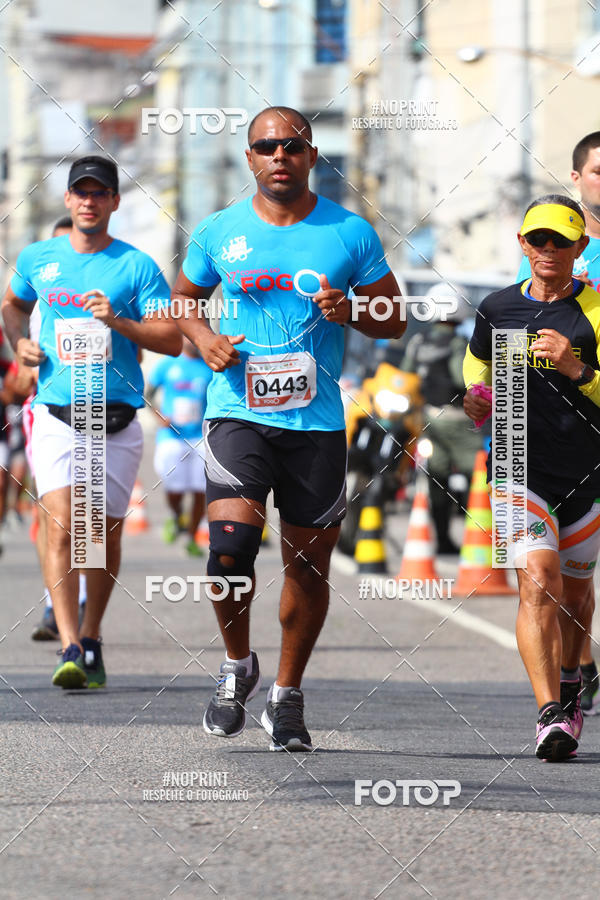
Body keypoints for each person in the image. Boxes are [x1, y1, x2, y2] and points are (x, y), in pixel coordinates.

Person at [173, 105, 405, 751]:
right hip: (237, 412)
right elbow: (183, 301)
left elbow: (394, 320)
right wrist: (204, 337)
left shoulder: (349, 233)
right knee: (228, 550)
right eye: (267, 146)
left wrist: (354, 307)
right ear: (250, 158)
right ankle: (236, 664)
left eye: (293, 145)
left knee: (306, 566)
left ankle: (286, 694)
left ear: (311, 156)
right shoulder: (219, 230)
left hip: (316, 422)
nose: (280, 155)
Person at [1, 155, 181, 688]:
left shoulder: (137, 266)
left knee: (99, 535)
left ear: (114, 203)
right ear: (67, 201)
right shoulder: (37, 258)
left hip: (117, 416)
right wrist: (21, 345)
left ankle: (94, 635)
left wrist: (117, 321)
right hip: (57, 411)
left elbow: (169, 338)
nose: (88, 200)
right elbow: (12, 307)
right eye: (80, 192)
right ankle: (69, 645)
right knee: (61, 526)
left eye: (99, 193)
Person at [463, 195, 600, 761]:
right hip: (517, 460)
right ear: (522, 244)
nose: (547, 250)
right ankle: (550, 714)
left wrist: (576, 369)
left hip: (587, 469)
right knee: (538, 580)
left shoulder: (595, 310)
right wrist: (475, 398)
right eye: (537, 240)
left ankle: (572, 675)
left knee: (576, 595)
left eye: (560, 241)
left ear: (580, 248)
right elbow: (477, 365)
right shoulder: (497, 307)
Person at [516, 133, 600, 715]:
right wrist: (485, 398)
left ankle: (576, 659)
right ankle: (567, 681)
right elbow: (505, 332)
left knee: (578, 580)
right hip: (539, 449)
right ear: (576, 177)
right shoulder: (559, 245)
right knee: (550, 579)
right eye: (598, 171)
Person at [401, 282, 481, 554]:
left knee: (437, 480)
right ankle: (480, 539)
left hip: (427, 419)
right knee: (478, 478)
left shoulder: (418, 341)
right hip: (459, 421)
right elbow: (463, 379)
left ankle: (444, 541)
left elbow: (406, 377)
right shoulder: (460, 343)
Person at [146, 337, 212, 557]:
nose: (193, 341)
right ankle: (176, 516)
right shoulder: (167, 365)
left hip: (200, 438)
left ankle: (192, 538)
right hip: (171, 437)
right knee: (174, 487)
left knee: (200, 489)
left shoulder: (209, 367)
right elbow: (147, 395)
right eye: (189, 336)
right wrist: (158, 416)